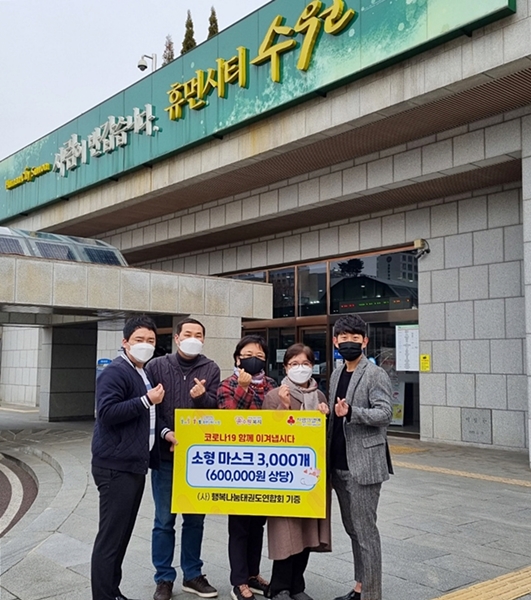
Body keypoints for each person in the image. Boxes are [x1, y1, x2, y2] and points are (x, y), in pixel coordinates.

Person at [146, 318, 220, 600]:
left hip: (197, 460)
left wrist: (201, 398)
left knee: (195, 521)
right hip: (165, 456)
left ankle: (192, 574)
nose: (193, 339)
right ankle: (164, 578)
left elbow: (216, 409)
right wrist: (166, 433)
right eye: (187, 334)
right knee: (164, 520)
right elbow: (150, 408)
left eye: (198, 335)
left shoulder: (211, 368)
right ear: (176, 338)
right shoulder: (156, 366)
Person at [91, 315, 165, 600]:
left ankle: (113, 591)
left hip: (134, 464)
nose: (145, 345)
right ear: (125, 342)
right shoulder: (116, 372)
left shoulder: (142, 372)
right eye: (139, 340)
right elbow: (107, 413)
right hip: (115, 467)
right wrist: (147, 400)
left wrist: (164, 432)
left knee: (121, 535)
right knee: (111, 538)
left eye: (151, 340)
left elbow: (148, 417)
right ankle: (104, 595)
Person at [328, 314, 393, 600]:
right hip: (339, 464)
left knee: (366, 533)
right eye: (344, 338)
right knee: (353, 530)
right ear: (335, 341)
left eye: (355, 338)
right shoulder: (336, 373)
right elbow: (336, 415)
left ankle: (371, 595)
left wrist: (353, 412)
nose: (349, 342)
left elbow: (385, 413)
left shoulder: (375, 373)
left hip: (364, 465)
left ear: (365, 341)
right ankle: (359, 587)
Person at [263, 343, 331, 600]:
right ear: (285, 368)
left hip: (312, 475)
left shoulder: (320, 396)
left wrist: (325, 418)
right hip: (284, 475)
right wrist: (283, 407)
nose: (299, 368)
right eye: (294, 364)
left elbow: (324, 438)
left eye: (305, 364)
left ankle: (297, 586)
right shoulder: (274, 395)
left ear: (312, 366)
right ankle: (279, 586)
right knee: (285, 531)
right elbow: (268, 435)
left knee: (307, 530)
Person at [217, 335, 277, 600]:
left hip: (265, 465)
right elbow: (230, 420)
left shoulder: (272, 385)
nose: (255, 360)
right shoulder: (227, 385)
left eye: (260, 356)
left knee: (257, 525)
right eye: (249, 355)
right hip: (238, 465)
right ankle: (239, 581)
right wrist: (243, 389)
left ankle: (253, 574)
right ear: (237, 358)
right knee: (239, 526)